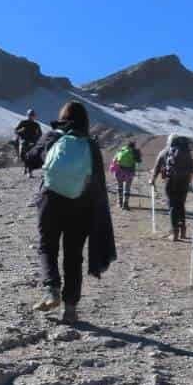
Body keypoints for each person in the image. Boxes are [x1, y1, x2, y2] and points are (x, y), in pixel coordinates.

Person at [31, 100, 117, 325]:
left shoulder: (52, 136)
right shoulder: (91, 144)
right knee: (73, 255)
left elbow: (31, 158)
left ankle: (52, 289)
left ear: (63, 117)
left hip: (50, 201)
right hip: (81, 204)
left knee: (47, 247)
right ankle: (70, 309)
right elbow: (98, 181)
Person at [150, 134, 193, 241]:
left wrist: (152, 180)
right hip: (185, 181)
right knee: (181, 205)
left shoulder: (164, 152)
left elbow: (157, 167)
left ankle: (175, 232)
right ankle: (183, 231)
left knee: (172, 205)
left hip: (170, 181)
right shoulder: (186, 152)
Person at [110, 141, 141, 210]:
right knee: (127, 188)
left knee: (119, 187)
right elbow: (139, 161)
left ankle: (119, 203)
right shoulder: (134, 151)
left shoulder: (121, 150)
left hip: (119, 171)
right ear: (133, 146)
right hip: (129, 172)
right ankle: (125, 204)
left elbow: (115, 159)